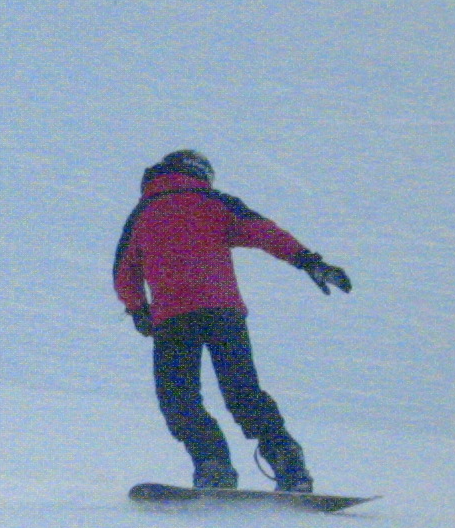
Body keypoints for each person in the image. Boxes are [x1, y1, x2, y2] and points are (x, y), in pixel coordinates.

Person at [113, 150, 351, 492]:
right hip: (223, 314)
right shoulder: (216, 203)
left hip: (173, 321)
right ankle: (289, 464)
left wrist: (138, 309)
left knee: (179, 401)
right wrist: (310, 262)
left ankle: (213, 466)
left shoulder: (143, 212)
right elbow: (266, 233)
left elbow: (124, 271)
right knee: (243, 394)